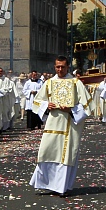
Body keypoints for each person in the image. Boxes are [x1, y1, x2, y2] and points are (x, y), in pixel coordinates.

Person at [29, 56, 91, 196]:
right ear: (54, 67)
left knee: (65, 154)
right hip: (52, 123)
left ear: (68, 67)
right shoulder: (49, 83)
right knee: (46, 151)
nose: (60, 69)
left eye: (63, 67)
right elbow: (37, 102)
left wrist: (71, 110)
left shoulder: (76, 83)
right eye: (58, 67)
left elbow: (87, 106)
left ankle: (61, 187)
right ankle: (47, 183)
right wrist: (47, 105)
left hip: (69, 125)